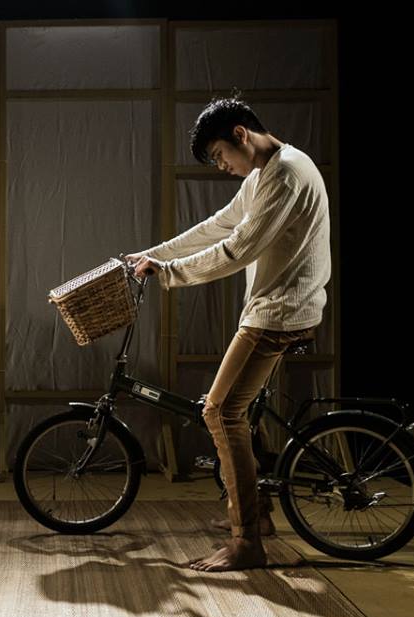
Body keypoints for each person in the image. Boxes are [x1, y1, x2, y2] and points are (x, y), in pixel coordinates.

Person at [125, 97, 331, 571]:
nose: (222, 167)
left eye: (220, 156)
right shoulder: (263, 173)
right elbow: (219, 225)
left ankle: (247, 542)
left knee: (220, 413)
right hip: (274, 307)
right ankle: (259, 516)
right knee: (238, 413)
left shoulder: (286, 175)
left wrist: (168, 272)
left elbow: (237, 249)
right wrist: (154, 254)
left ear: (241, 134)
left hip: (279, 313)